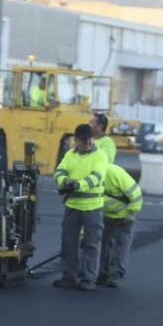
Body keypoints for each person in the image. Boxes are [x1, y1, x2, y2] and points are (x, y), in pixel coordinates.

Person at [53, 124, 108, 291]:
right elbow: (59, 172)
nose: (88, 143)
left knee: (91, 244)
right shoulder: (70, 155)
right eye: (84, 140)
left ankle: (89, 279)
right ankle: (69, 276)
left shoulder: (100, 155)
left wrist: (78, 185)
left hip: (93, 207)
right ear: (75, 140)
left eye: (90, 139)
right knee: (69, 243)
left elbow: (96, 178)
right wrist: (64, 181)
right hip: (72, 206)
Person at [98, 161, 143, 288]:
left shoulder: (114, 173)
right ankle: (102, 274)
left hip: (125, 216)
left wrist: (131, 214)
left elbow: (136, 195)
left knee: (121, 245)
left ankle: (115, 275)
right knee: (102, 244)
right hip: (106, 215)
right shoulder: (88, 175)